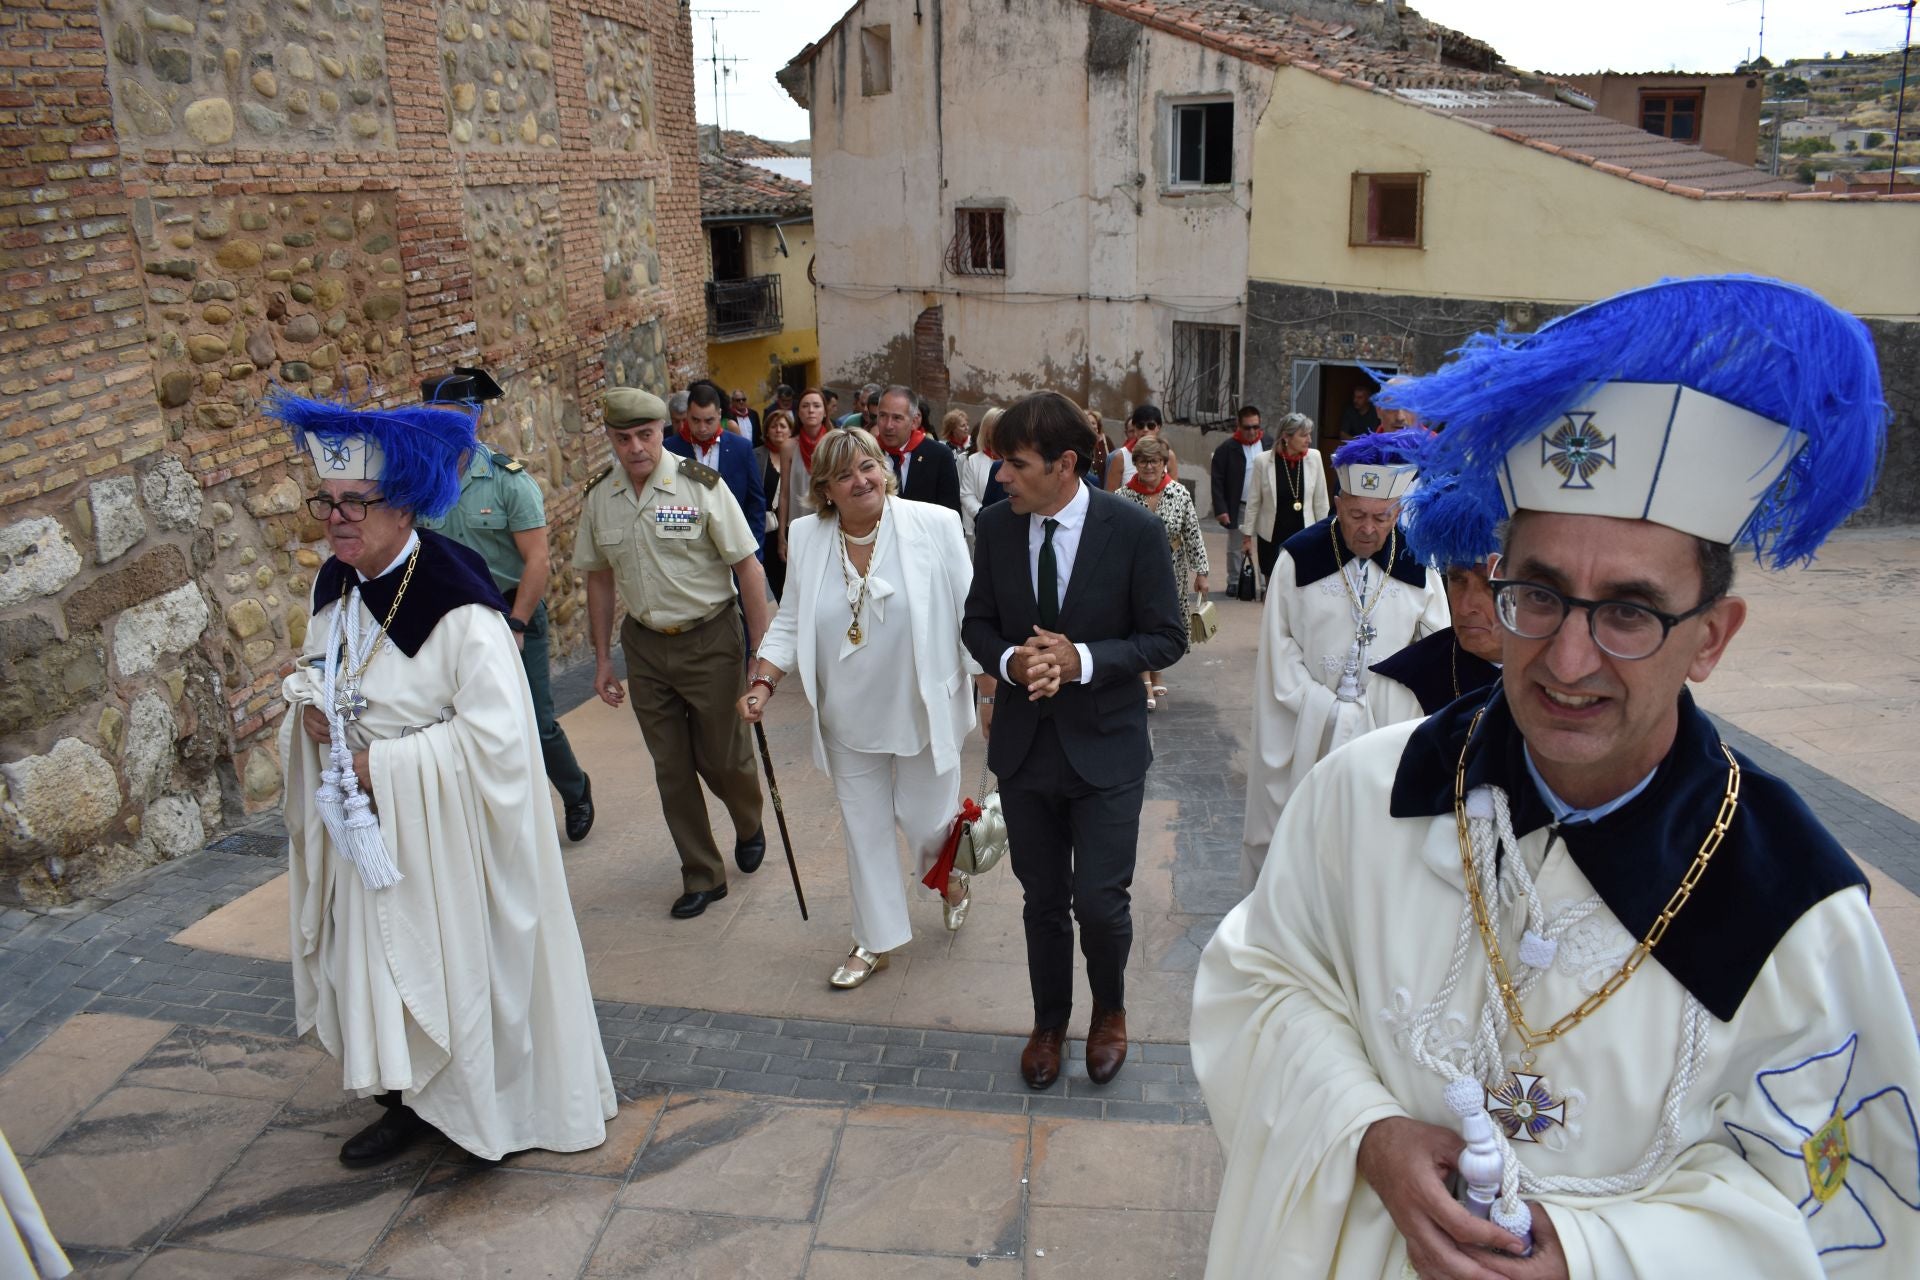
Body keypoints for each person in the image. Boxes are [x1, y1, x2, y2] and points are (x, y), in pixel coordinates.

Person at [1192, 276, 1920, 1280]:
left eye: (1629, 610)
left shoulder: (1794, 908)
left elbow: (1847, 1221)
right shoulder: (1365, 797)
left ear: (1711, 637)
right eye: (1538, 593)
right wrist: (1366, 1133)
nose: (1568, 660)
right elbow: (1262, 984)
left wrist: (1593, 1253)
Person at [272, 392, 615, 1167]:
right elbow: (325, 672)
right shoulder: (334, 585)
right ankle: (404, 1100)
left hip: (448, 839)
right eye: (325, 502)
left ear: (405, 507)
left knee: (455, 966)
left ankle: (478, 1108)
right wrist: (313, 714)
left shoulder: (459, 603)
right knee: (381, 965)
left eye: (355, 503)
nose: (336, 519)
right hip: (368, 831)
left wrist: (383, 766)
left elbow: (501, 740)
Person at [961, 391, 1186, 1091]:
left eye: (1015, 464)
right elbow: (978, 624)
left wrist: (1080, 660)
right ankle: (1049, 1022)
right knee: (1042, 900)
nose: (1001, 477)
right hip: (1027, 750)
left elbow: (1166, 637)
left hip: (1107, 747)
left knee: (1099, 899)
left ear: (1064, 465)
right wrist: (1012, 663)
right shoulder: (997, 529)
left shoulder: (1134, 531)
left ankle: (1110, 1011)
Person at [742, 428, 986, 988]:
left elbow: (972, 611)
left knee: (929, 823)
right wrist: (764, 680)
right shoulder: (806, 537)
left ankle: (948, 877)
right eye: (846, 474)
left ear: (884, 468)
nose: (862, 480)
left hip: (922, 709)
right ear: (825, 488)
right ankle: (874, 939)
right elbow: (791, 618)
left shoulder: (934, 524)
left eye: (869, 465)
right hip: (847, 717)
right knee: (865, 829)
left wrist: (990, 683)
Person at [577, 388, 772, 919]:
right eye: (624, 438)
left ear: (665, 431)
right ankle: (703, 873)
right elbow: (598, 579)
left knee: (724, 757)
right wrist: (601, 661)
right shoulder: (600, 496)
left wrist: (761, 657)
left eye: (645, 435)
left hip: (711, 640)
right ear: (612, 439)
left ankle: (748, 820)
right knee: (672, 766)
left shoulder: (701, 486)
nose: (636, 447)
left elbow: (748, 569)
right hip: (644, 645)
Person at [1238, 429, 1448, 888]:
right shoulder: (1300, 558)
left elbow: (1436, 648)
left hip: (1386, 732)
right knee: (1301, 846)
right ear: (1337, 504)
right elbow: (1279, 648)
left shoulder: (1419, 563)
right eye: (1356, 515)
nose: (1368, 528)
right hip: (1307, 731)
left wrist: (1380, 710)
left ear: (1398, 512)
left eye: (1381, 517)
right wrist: (1327, 710)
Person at [417, 366, 596, 843]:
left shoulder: (507, 481)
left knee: (533, 722)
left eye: (452, 415)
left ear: (472, 418)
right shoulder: (416, 484)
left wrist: (517, 622)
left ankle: (576, 790)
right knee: (461, 725)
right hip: (445, 621)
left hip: (509, 612)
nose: (442, 425)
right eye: (432, 417)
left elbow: (537, 561)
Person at [1117, 436, 1208, 711]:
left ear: (1163, 463)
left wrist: (1201, 571)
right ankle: (1144, 680)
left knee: (1163, 621)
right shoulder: (1123, 496)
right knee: (1138, 620)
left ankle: (1156, 670)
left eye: (1154, 461)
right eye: (1143, 461)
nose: (1148, 467)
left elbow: (1192, 533)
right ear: (1136, 464)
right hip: (1135, 570)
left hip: (1172, 570)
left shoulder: (1179, 493)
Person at [1369, 553, 1504, 720]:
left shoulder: (1545, 678)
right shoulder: (1400, 687)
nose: (1464, 608)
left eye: (1490, 584)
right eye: (1457, 579)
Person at [666, 380, 766, 558]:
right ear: (687, 415)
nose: (702, 428)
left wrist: (754, 551)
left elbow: (755, 503)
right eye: (695, 420)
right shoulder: (669, 450)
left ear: (719, 415)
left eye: (709, 420)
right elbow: (664, 501)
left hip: (736, 551)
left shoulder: (741, 448)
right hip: (689, 555)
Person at [1241, 412, 1329, 592]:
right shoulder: (1263, 462)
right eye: (1303, 435)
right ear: (1286, 436)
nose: (1309, 440)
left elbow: (1321, 502)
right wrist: (1247, 537)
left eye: (1309, 434)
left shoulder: (1315, 458)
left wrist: (1325, 534)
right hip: (1271, 538)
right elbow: (1254, 502)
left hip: (1305, 536)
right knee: (1273, 589)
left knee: (1303, 587)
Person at [873, 385, 963, 516]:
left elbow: (951, 513)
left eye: (897, 418)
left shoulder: (939, 456)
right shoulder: (867, 453)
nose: (888, 425)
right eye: (883, 416)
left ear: (914, 421)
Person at [1209, 405, 1270, 595]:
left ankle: (1265, 582)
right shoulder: (1227, 449)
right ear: (1238, 425)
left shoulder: (1269, 443)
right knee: (1235, 546)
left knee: (1266, 545)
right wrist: (1221, 509)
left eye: (1255, 427)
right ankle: (1234, 581)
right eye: (1247, 427)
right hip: (1239, 505)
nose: (1252, 432)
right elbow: (1217, 481)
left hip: (1265, 505)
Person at [776, 386, 834, 556]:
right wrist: (781, 536)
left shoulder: (834, 441)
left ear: (824, 412)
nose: (811, 410)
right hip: (799, 524)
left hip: (831, 521)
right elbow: (784, 493)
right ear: (798, 413)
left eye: (816, 405)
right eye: (805, 406)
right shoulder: (789, 446)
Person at [756, 410, 793, 600]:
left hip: (792, 527)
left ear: (790, 430)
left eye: (783, 426)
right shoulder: (757, 456)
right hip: (768, 530)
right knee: (777, 581)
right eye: (773, 426)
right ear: (767, 431)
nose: (778, 430)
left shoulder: (799, 456)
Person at [959, 406, 1007, 547]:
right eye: (996, 427)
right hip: (983, 524)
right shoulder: (974, 460)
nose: (1001, 431)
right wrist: (982, 514)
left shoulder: (1015, 460)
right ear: (986, 431)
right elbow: (966, 494)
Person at [1104, 404, 1179, 491]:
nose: (1145, 429)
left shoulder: (1169, 455)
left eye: (1151, 426)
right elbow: (1110, 495)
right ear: (1134, 428)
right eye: (1140, 426)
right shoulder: (1120, 457)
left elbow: (1175, 492)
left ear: (1158, 427)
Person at [1085, 410, 1112, 490]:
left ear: (1098, 425)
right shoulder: (1078, 443)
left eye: (1093, 423)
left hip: (1105, 487)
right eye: (1087, 422)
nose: (1091, 425)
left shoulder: (1106, 440)